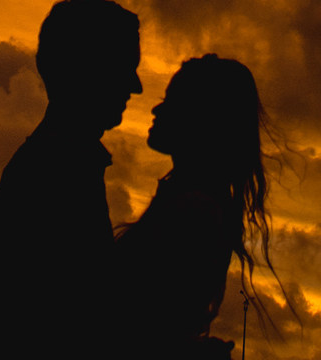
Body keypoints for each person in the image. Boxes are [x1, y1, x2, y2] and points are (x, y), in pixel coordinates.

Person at [0, 0, 142, 360]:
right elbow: (81, 319)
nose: (136, 85)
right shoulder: (59, 169)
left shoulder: (58, 161)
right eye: (126, 67)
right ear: (90, 69)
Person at [113, 54, 287, 359]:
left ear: (201, 120)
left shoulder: (194, 212)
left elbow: (151, 328)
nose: (156, 109)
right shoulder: (196, 203)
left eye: (171, 102)